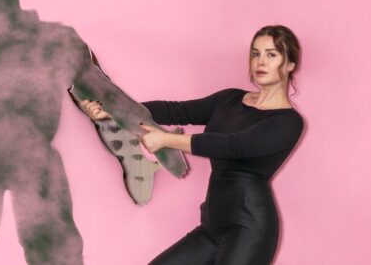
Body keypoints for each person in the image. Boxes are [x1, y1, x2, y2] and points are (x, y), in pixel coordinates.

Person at [80, 25, 304, 265]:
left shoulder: (288, 121)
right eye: (256, 53)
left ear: (290, 64)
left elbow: (234, 146)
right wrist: (113, 111)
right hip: (212, 226)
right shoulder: (230, 99)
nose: (261, 61)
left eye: (271, 55)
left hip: (249, 231)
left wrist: (168, 140)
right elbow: (177, 110)